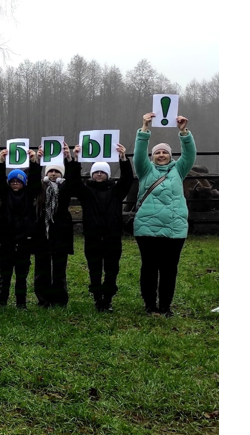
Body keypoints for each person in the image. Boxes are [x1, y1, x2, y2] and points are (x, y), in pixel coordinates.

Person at [133, 113, 195, 317]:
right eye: (157, 152)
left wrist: (183, 132)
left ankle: (166, 306)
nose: (161, 155)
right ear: (152, 156)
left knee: (169, 270)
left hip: (174, 229)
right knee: (149, 268)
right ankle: (150, 305)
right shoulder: (145, 170)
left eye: (165, 152)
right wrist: (144, 129)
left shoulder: (179, 170)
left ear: (170, 155)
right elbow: (139, 153)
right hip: (146, 228)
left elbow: (190, 154)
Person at [69, 143, 133, 312]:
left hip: (112, 236)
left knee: (112, 269)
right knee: (94, 268)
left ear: (107, 175)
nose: (99, 174)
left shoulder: (117, 191)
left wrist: (123, 159)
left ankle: (108, 298)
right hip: (93, 236)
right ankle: (98, 298)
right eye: (96, 172)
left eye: (102, 172)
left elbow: (127, 179)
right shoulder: (86, 193)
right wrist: (76, 159)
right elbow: (74, 181)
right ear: (92, 174)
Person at [0, 147, 39, 308]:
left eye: (18, 181)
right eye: (12, 181)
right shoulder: (5, 195)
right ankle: (2, 300)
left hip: (25, 240)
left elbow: (36, 181)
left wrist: (34, 163)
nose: (15, 183)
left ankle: (21, 302)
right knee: (5, 272)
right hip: (7, 241)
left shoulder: (29, 195)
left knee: (22, 274)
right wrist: (1, 162)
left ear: (24, 183)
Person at [31, 144, 76, 308]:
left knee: (59, 269)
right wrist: (36, 162)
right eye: (50, 171)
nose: (53, 173)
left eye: (56, 171)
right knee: (41, 268)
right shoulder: (39, 187)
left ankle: (59, 299)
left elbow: (73, 180)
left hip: (60, 233)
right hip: (42, 232)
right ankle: (43, 299)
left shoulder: (65, 187)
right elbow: (32, 180)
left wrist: (69, 159)